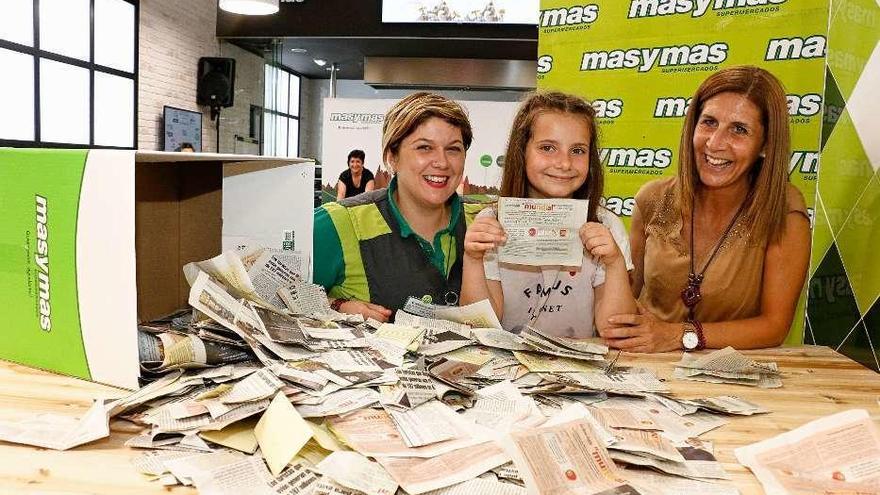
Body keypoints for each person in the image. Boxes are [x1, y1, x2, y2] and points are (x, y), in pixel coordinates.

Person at [603, 66, 811, 352]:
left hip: (733, 381)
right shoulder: (652, 199)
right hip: (644, 374)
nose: (715, 143)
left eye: (739, 130)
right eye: (709, 122)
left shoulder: (784, 211)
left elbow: (774, 326)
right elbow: (626, 301)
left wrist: (678, 335)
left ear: (765, 144)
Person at [459, 91, 637, 338]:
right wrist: (473, 259)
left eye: (577, 151)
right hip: (511, 369)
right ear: (522, 152)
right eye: (548, 148)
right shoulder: (492, 223)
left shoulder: (606, 225)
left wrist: (615, 263)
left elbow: (615, 329)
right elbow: (480, 327)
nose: (564, 163)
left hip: (577, 369)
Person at [313, 92, 474, 322]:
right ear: (392, 157)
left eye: (453, 149)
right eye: (424, 148)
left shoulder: (482, 222)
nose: (442, 163)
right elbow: (265, 297)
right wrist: (335, 306)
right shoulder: (337, 223)